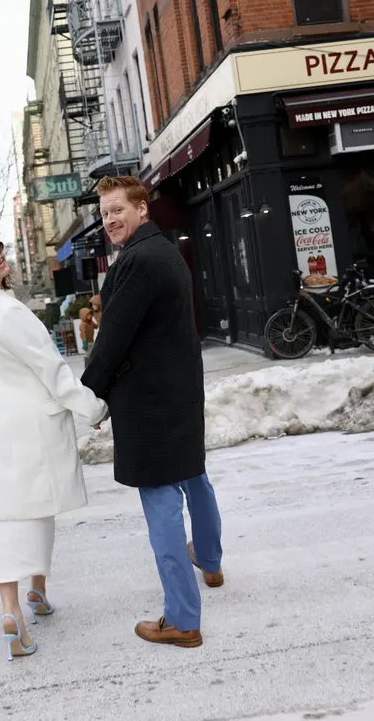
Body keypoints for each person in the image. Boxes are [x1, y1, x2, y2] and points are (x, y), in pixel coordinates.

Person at [81, 176, 223, 649]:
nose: (110, 220)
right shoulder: (164, 251)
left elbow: (113, 338)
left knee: (162, 503)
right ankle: (210, 559)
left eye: (118, 209)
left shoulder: (137, 261)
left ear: (142, 208)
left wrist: (91, 394)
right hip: (179, 390)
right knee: (194, 478)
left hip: (149, 402)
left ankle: (182, 619)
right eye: (105, 213)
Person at [0, 234, 107, 662]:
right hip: (25, 429)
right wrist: (93, 407)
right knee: (36, 511)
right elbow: (51, 369)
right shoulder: (8, 312)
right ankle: (33, 594)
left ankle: (14, 609)